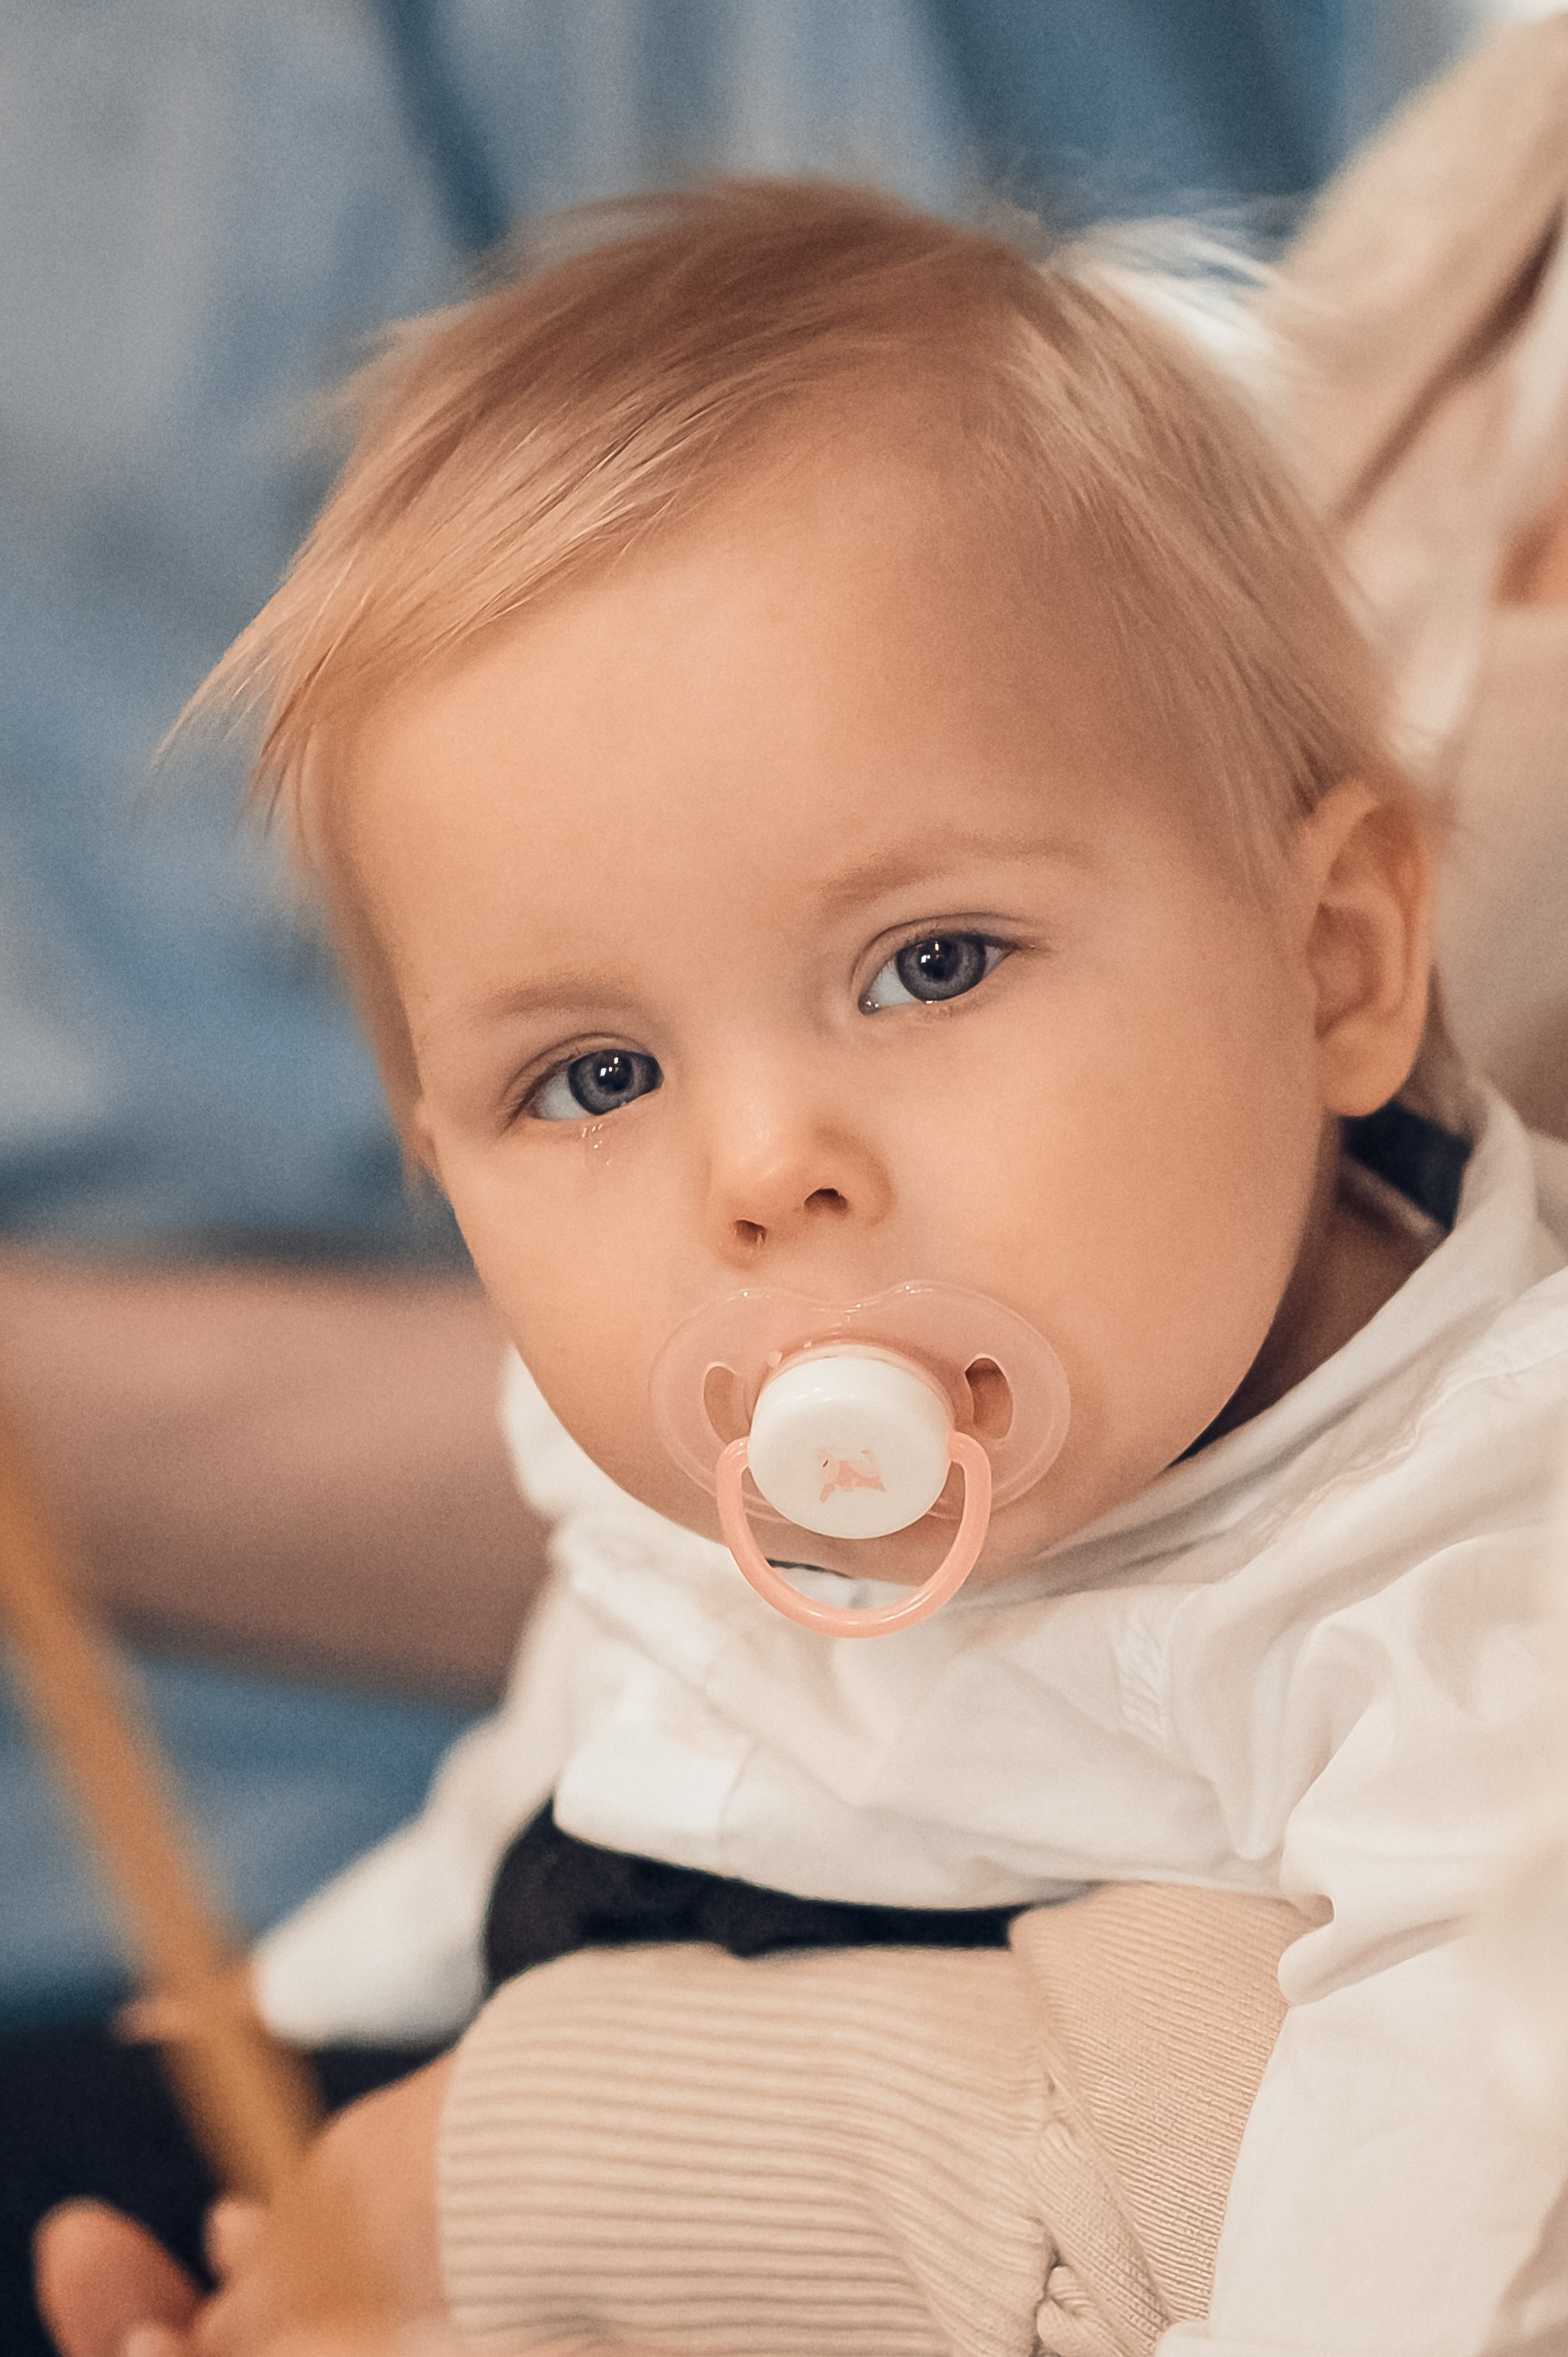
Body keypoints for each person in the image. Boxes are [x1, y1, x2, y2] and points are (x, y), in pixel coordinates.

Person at [32, 181, 1568, 2356]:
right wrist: (310, 2002)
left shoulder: (1473, 1575)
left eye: (930, 965)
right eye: (589, 1080)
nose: (762, 1175)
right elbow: (619, 1692)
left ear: (1333, 962)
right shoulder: (727, 1452)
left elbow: (1431, 2247)